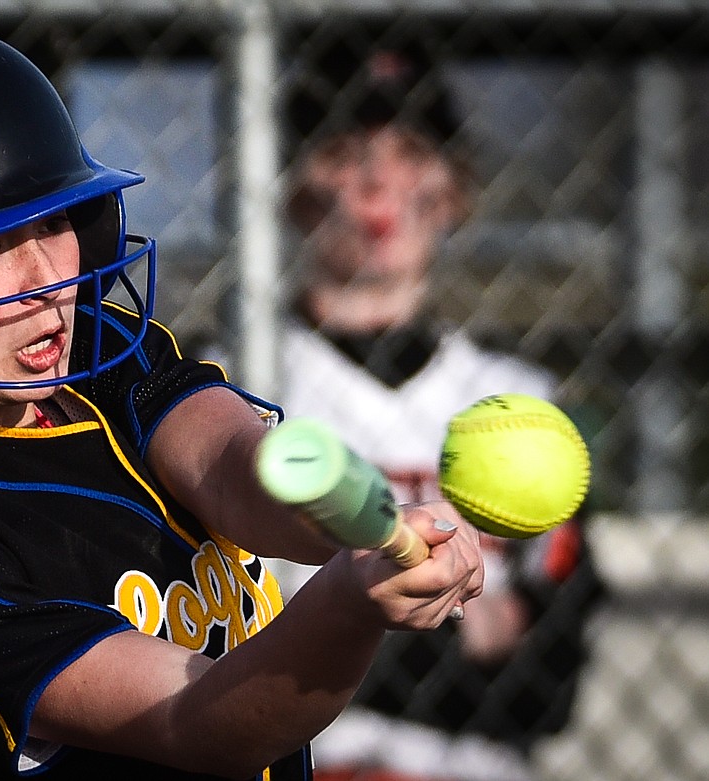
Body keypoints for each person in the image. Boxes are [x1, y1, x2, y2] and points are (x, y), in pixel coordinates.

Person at [0, 25, 482, 781]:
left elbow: (235, 473)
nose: (47, 280)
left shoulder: (95, 356)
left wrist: (360, 518)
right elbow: (200, 724)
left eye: (57, 222)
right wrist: (351, 603)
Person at [268, 38, 603, 781]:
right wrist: (475, 633)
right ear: (295, 190)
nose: (380, 179)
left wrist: (325, 635)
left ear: (454, 192)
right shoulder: (231, 387)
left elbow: (550, 688)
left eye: (413, 150)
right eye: (347, 149)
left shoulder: (525, 401)